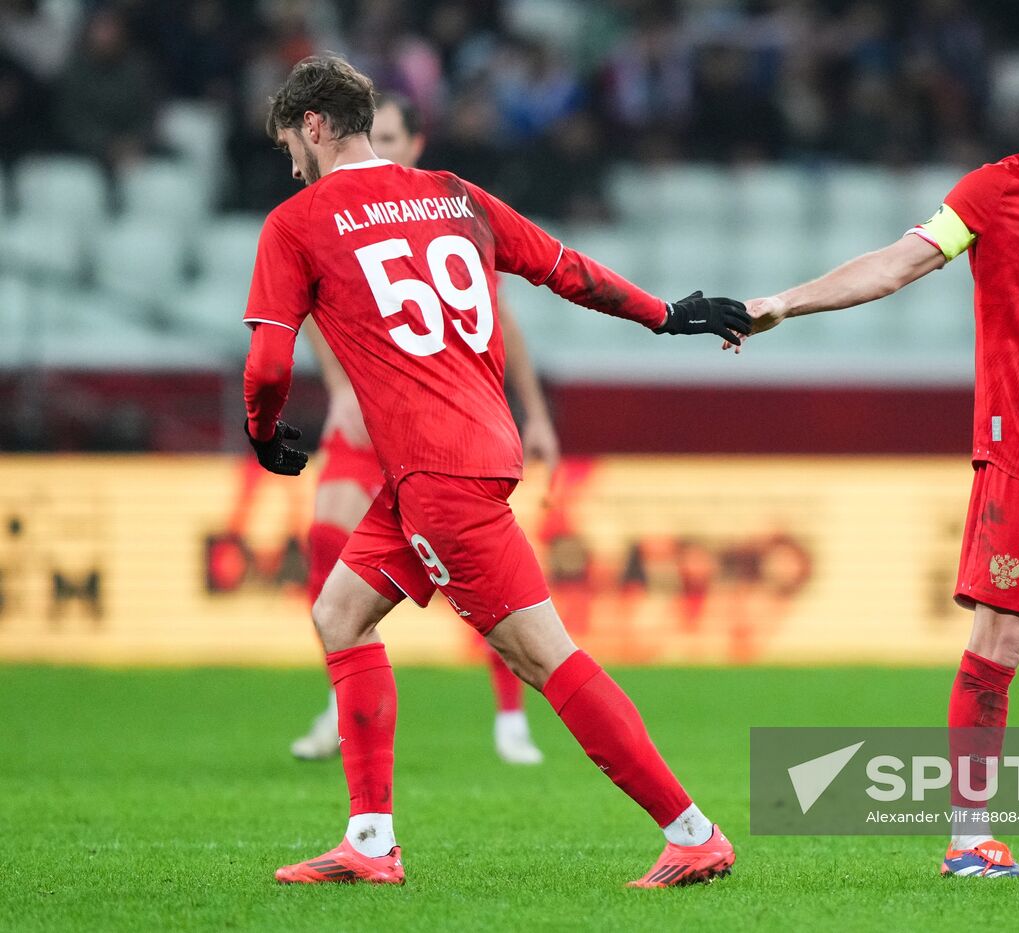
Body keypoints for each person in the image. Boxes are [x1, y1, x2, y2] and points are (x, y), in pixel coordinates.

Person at [243, 54, 751, 887]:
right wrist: (666, 315)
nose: (289, 166)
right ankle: (369, 840)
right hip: (455, 459)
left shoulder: (297, 223)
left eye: (288, 147)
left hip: (439, 475)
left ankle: (692, 830)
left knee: (544, 657)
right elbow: (562, 266)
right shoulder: (453, 193)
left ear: (313, 125)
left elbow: (267, 364)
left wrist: (265, 432)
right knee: (340, 614)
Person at [741, 21, 1019, 877]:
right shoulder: (996, 193)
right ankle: (969, 839)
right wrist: (784, 303)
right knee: (999, 647)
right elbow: (897, 265)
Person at [291, 94, 557, 767]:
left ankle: (509, 715)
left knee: (484, 586)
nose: (373, 146)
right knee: (327, 550)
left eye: (387, 136)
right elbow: (315, 311)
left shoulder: (441, 214)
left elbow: (501, 322)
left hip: (442, 432)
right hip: (372, 422)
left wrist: (536, 412)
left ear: (415, 142)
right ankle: (339, 704)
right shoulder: (341, 217)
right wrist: (340, 388)